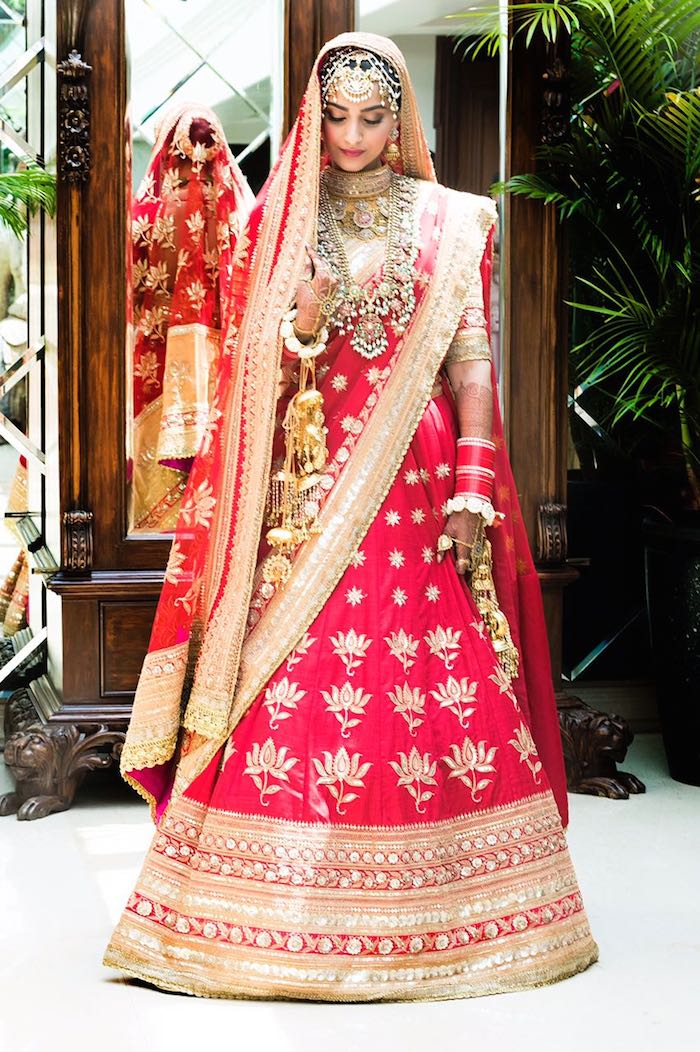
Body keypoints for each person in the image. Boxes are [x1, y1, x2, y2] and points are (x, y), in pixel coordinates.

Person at [104, 32, 599, 1001]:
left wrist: (470, 488)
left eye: (375, 117)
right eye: (336, 117)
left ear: (402, 116)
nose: (355, 136)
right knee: (283, 679)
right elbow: (255, 370)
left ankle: (458, 909)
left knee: (433, 677)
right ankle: (257, 914)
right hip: (305, 491)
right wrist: (302, 322)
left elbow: (470, 365)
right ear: (311, 117)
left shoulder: (454, 221)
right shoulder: (281, 222)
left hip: (416, 489)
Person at [127, 103, 253, 533]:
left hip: (193, 386)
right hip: (164, 382)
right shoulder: (140, 226)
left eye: (203, 180)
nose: (193, 198)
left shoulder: (239, 233)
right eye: (182, 180)